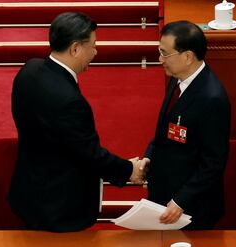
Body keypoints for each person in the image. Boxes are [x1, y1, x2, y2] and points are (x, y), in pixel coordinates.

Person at [9, 12, 143, 232]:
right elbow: (90, 154)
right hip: (59, 207)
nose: (95, 52)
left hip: (28, 192)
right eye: (93, 45)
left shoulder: (29, 70)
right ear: (75, 49)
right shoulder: (69, 102)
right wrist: (130, 169)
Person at [141, 21, 231, 230]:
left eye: (165, 54)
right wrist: (149, 155)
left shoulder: (212, 99)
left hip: (191, 209)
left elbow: (213, 162)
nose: (160, 59)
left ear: (188, 56)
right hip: (165, 195)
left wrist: (182, 200)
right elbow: (166, 127)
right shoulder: (177, 78)